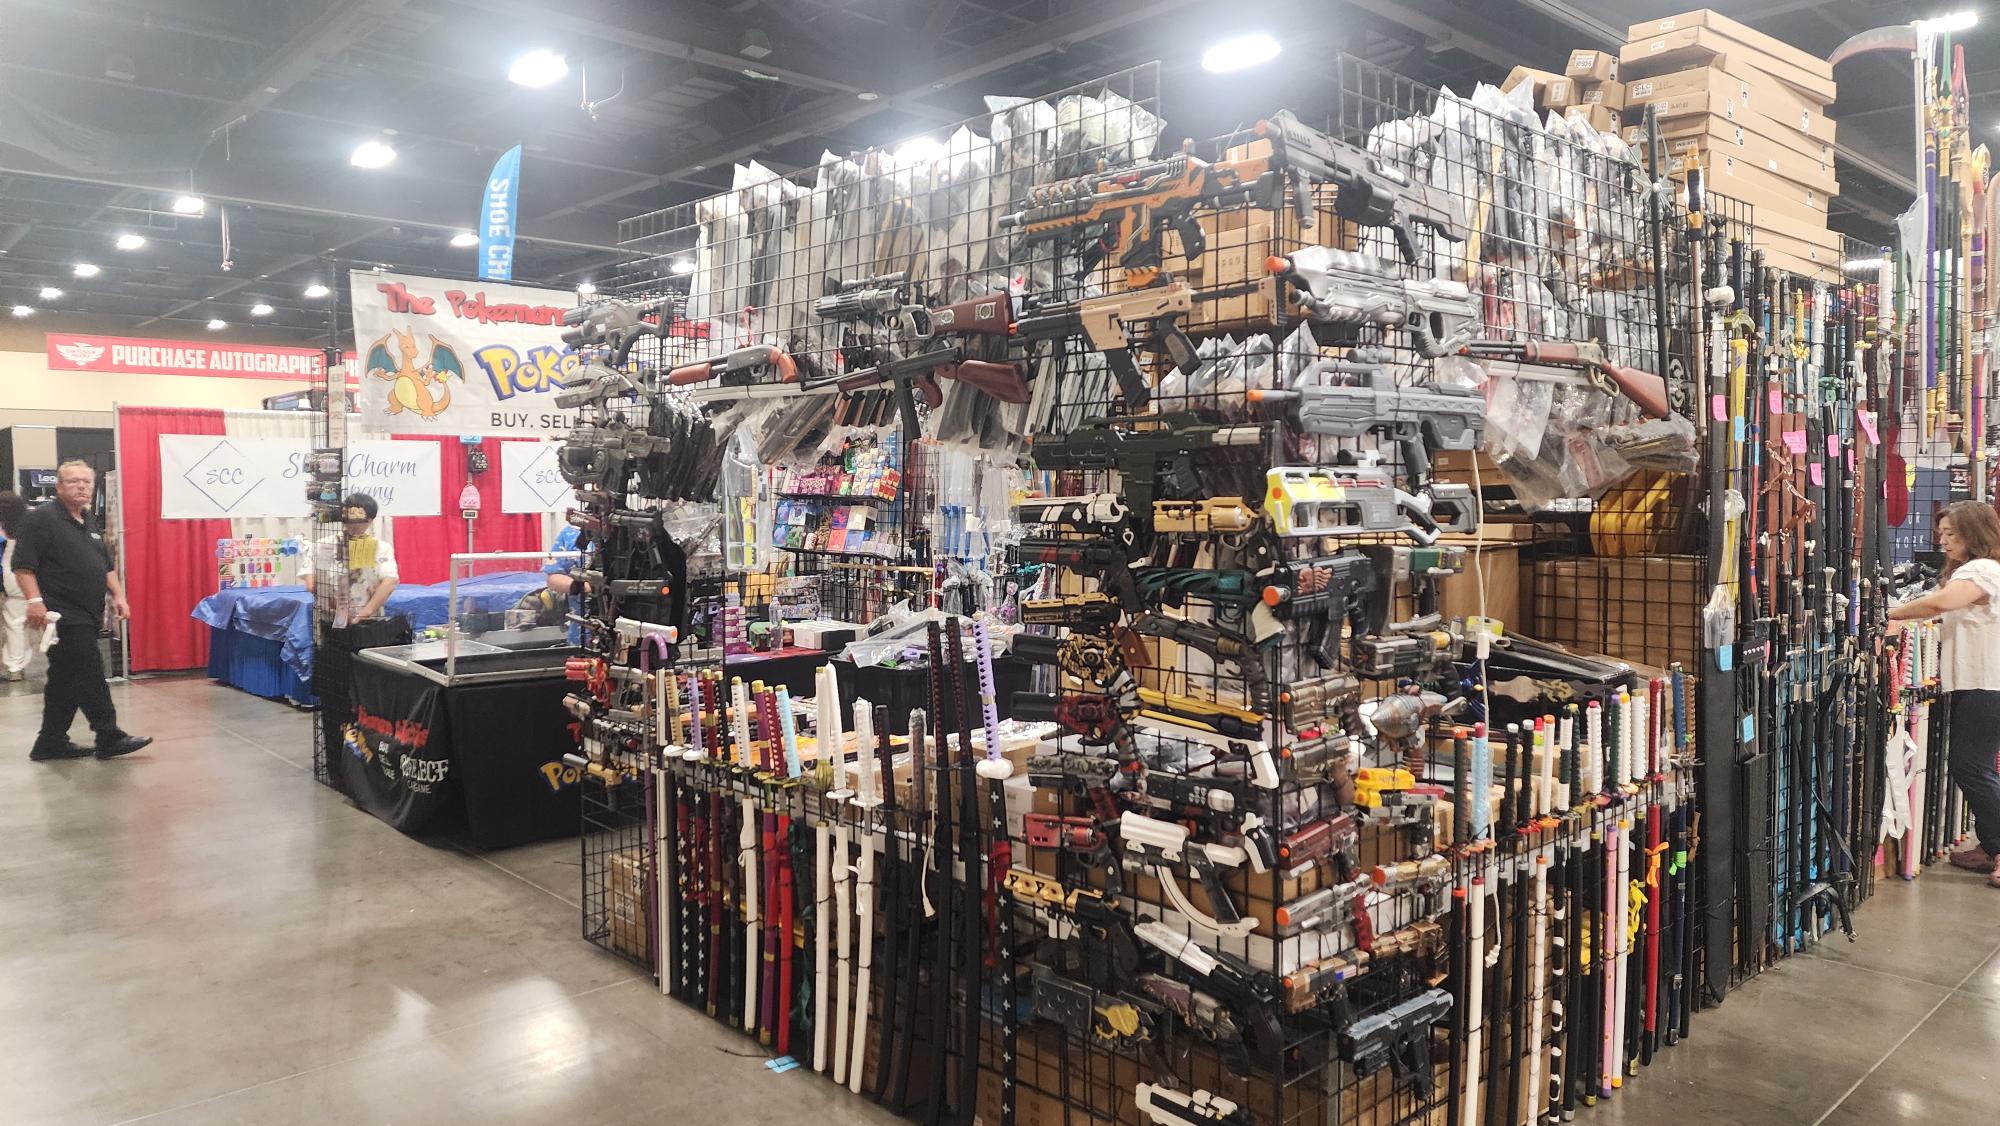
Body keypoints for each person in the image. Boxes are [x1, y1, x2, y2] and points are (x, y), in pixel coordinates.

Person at [1889, 500, 2000, 887]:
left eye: (1951, 534)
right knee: (1973, 766)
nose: (1943, 541)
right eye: (1942, 534)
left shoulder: (1982, 570)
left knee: (1971, 767)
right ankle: (1991, 845)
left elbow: (1940, 602)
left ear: (1974, 533)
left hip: (1987, 684)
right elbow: (1938, 609)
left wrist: (1890, 614)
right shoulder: (1972, 571)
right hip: (1976, 683)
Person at [9, 460, 150, 761]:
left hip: (88, 612)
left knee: (65, 679)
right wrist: (35, 602)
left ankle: (50, 742)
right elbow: (23, 566)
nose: (82, 487)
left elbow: (105, 566)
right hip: (60, 614)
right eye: (73, 481)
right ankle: (109, 735)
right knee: (89, 671)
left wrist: (119, 595)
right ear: (59, 486)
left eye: (86, 482)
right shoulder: (41, 519)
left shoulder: (88, 520)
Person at [303, 493, 399, 622]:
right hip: (336, 619)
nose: (354, 524)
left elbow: (390, 582)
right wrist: (340, 609)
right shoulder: (322, 545)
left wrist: (363, 614)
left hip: (365, 619)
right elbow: (311, 584)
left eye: (359, 518)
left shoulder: (380, 547)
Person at [0, 491, 29, 681]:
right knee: (18, 623)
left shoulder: (3, 530)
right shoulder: (28, 527)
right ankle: (16, 665)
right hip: (23, 576)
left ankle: (13, 665)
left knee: (12, 623)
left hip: (6, 576)